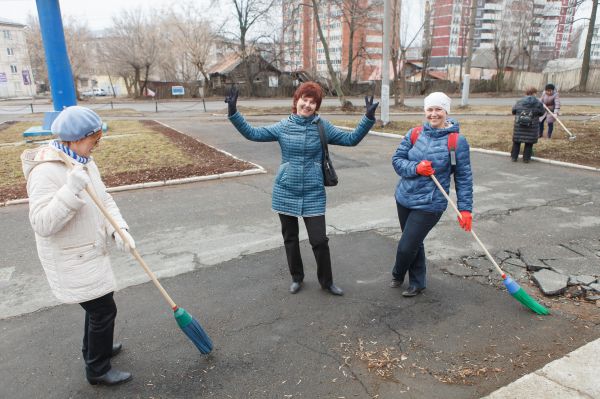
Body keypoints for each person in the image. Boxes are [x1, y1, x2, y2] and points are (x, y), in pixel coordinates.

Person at [225, 82, 378, 296]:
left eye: (312, 102)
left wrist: (367, 119)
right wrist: (233, 112)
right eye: (304, 100)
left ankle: (327, 282)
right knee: (290, 238)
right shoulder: (283, 126)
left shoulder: (323, 126)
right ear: (296, 101)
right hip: (285, 189)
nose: (307, 105)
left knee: (319, 240)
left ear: (316, 106)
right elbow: (252, 133)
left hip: (313, 191)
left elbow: (351, 140)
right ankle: (297, 278)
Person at [21, 106, 134, 386]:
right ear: (73, 139)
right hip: (71, 257)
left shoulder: (83, 160)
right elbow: (42, 223)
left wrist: (119, 231)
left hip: (90, 252)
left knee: (98, 307)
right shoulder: (46, 171)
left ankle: (97, 349)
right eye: (93, 140)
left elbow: (104, 200)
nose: (97, 145)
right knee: (102, 309)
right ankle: (97, 369)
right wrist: (69, 191)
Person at [390, 92, 473, 297]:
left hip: (431, 203)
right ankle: (418, 282)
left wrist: (465, 209)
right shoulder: (415, 133)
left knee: (406, 246)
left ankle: (398, 273)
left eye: (438, 109)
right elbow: (397, 161)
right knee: (413, 243)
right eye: (430, 109)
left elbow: (463, 178)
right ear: (425, 111)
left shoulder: (456, 141)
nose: (433, 114)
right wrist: (416, 167)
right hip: (405, 197)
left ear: (446, 112)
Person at [511, 87, 545, 163]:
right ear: (534, 93)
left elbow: (513, 111)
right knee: (529, 143)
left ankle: (514, 157)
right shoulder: (538, 103)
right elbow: (542, 113)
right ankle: (526, 159)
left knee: (517, 141)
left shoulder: (519, 101)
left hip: (519, 125)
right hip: (532, 126)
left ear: (526, 93)